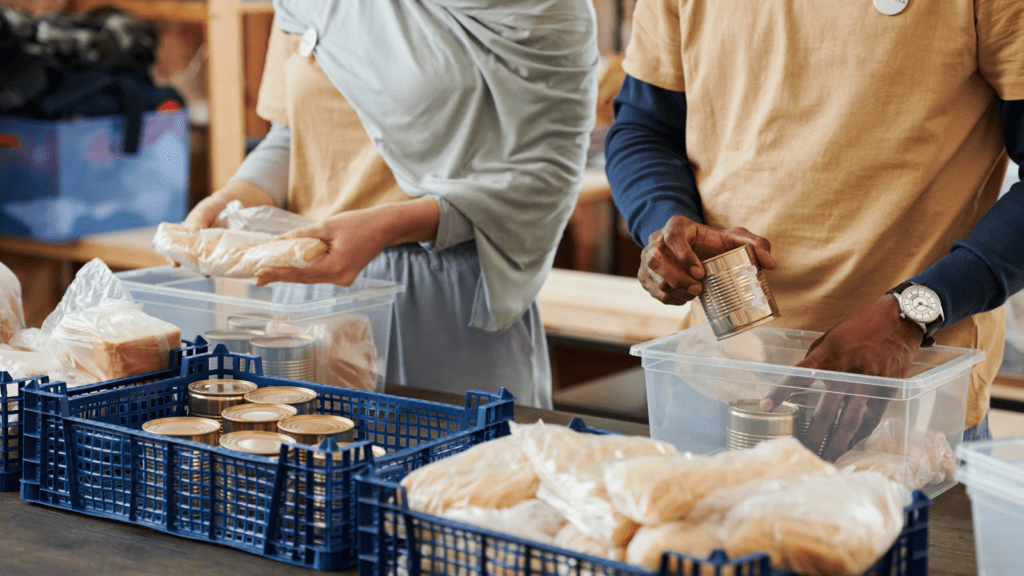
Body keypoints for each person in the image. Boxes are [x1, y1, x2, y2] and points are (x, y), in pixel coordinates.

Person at [605, 0, 1024, 457]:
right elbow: (644, 126)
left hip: (911, 405)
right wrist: (662, 221)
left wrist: (917, 309)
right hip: (720, 378)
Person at [180, 0, 600, 408]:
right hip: (314, 297)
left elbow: (547, 174)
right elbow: (291, 135)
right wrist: (233, 196)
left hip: (447, 300)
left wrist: (388, 226)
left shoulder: (544, 7)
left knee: (453, 472)